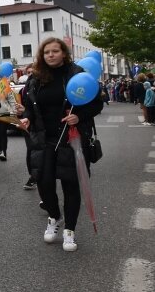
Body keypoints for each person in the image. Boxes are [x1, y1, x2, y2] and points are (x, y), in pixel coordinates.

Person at [21, 38, 103, 252]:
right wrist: (27, 117)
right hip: (43, 138)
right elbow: (29, 104)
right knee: (43, 181)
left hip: (70, 137)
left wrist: (80, 116)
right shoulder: (36, 78)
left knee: (70, 185)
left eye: (55, 51)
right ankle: (54, 217)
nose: (50, 55)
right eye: (46, 52)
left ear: (64, 53)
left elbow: (96, 103)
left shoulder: (77, 74)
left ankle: (70, 231)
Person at [0, 78, 18, 161]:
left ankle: (3, 151)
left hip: (4, 113)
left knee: (2, 132)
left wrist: (14, 111)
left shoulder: (4, 86)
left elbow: (11, 99)